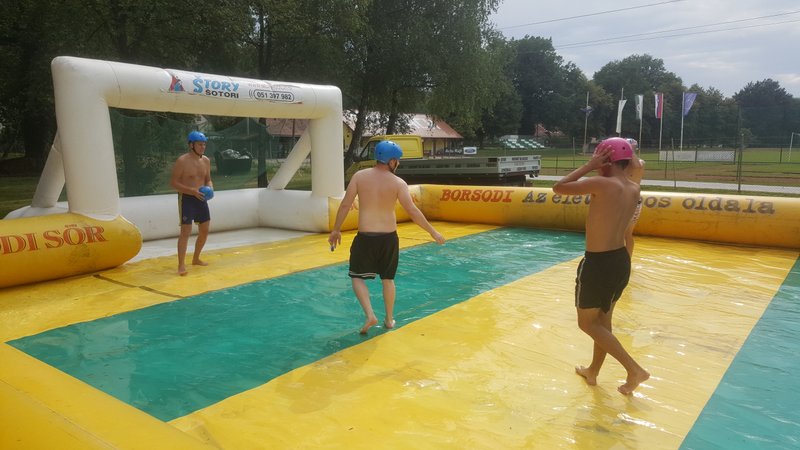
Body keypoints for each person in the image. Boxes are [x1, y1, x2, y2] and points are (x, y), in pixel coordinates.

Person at [552, 137, 650, 395]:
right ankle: (593, 371)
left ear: (605, 160)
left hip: (598, 263)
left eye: (598, 159)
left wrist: (588, 166)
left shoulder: (602, 184)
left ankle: (634, 370)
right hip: (620, 260)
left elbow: (559, 187)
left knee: (587, 324)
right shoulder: (633, 188)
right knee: (603, 323)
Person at [328, 140, 446, 334]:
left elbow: (345, 205)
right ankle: (389, 319)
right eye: (397, 160)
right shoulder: (398, 183)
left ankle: (369, 314)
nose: (398, 163)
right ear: (391, 161)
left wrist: (336, 230)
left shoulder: (359, 176)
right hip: (388, 239)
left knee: (356, 277)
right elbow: (412, 211)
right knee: (388, 279)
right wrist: (433, 232)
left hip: (365, 237)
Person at [170, 131, 213, 276]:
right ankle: (181, 265)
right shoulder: (182, 161)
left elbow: (208, 179)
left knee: (205, 230)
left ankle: (196, 258)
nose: (203, 147)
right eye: (200, 144)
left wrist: (210, 187)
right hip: (187, 199)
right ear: (191, 145)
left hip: (201, 198)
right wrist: (192, 191)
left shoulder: (206, 161)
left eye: (204, 144)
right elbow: (174, 183)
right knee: (185, 232)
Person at [624, 138, 645, 257]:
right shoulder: (622, 164)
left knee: (627, 234)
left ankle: (627, 259)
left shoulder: (640, 162)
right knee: (618, 233)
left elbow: (637, 166)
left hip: (632, 202)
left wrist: (629, 150)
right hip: (622, 201)